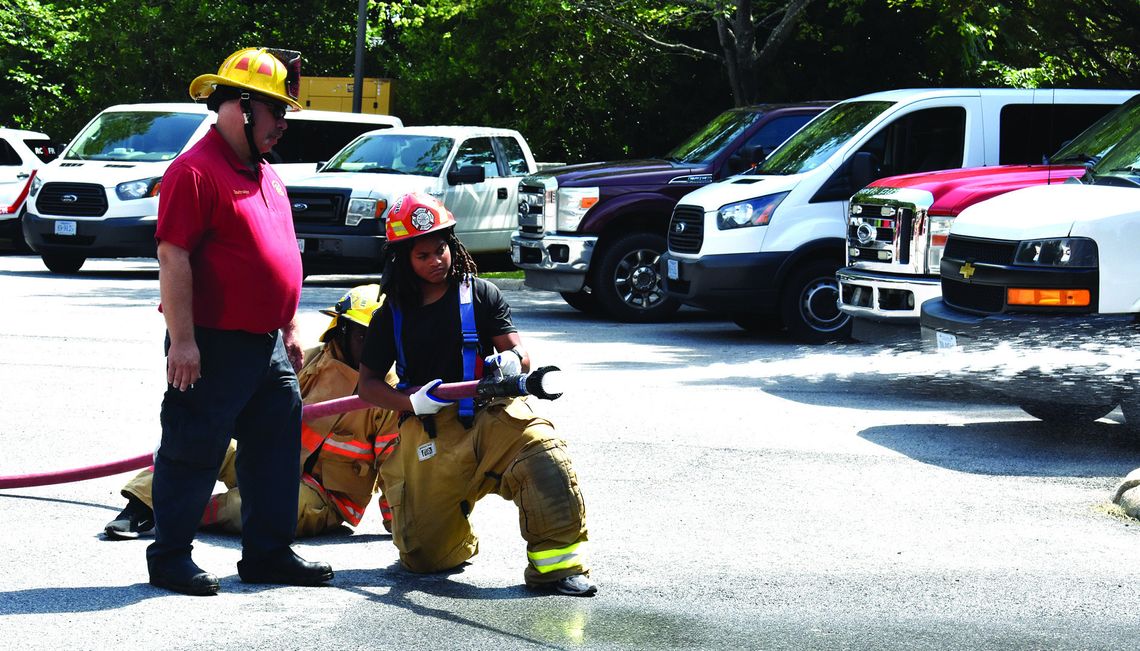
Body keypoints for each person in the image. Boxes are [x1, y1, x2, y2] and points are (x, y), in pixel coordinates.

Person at [147, 46, 330, 597]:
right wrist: (183, 342)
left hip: (266, 344)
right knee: (192, 448)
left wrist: (288, 326)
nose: (283, 124)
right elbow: (172, 256)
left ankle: (268, 553)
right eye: (277, 111)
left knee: (275, 449)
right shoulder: (194, 172)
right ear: (241, 108)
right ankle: (172, 557)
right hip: (211, 341)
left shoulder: (265, 174)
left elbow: (277, 256)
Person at [356, 192, 597, 597]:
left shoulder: (481, 294)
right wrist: (410, 403)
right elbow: (368, 386)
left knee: (545, 455)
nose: (437, 261)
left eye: (442, 249)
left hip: (490, 414)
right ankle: (453, 536)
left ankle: (558, 568)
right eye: (423, 255)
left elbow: (517, 353)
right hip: (431, 431)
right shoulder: (389, 315)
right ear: (403, 261)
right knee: (425, 560)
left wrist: (511, 361)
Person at [105, 285, 400, 540]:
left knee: (263, 508)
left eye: (382, 340)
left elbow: (395, 465)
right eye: (366, 338)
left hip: (322, 497)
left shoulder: (389, 394)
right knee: (196, 445)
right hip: (271, 461)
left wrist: (401, 522)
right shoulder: (306, 361)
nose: (376, 350)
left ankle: (180, 513)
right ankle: (139, 509)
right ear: (343, 331)